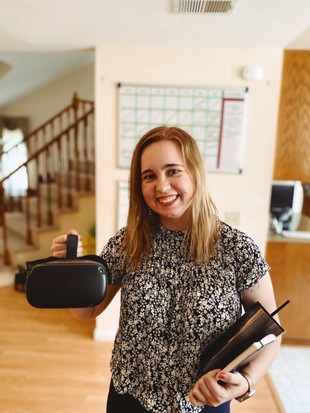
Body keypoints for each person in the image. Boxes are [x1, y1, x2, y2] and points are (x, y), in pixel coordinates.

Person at [51, 126, 281, 413]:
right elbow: (87, 311)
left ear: (195, 172)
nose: (161, 186)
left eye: (173, 171)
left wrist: (246, 381)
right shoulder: (128, 243)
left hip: (205, 402)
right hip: (130, 398)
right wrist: (71, 271)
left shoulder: (237, 249)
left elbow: (271, 332)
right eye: (149, 176)